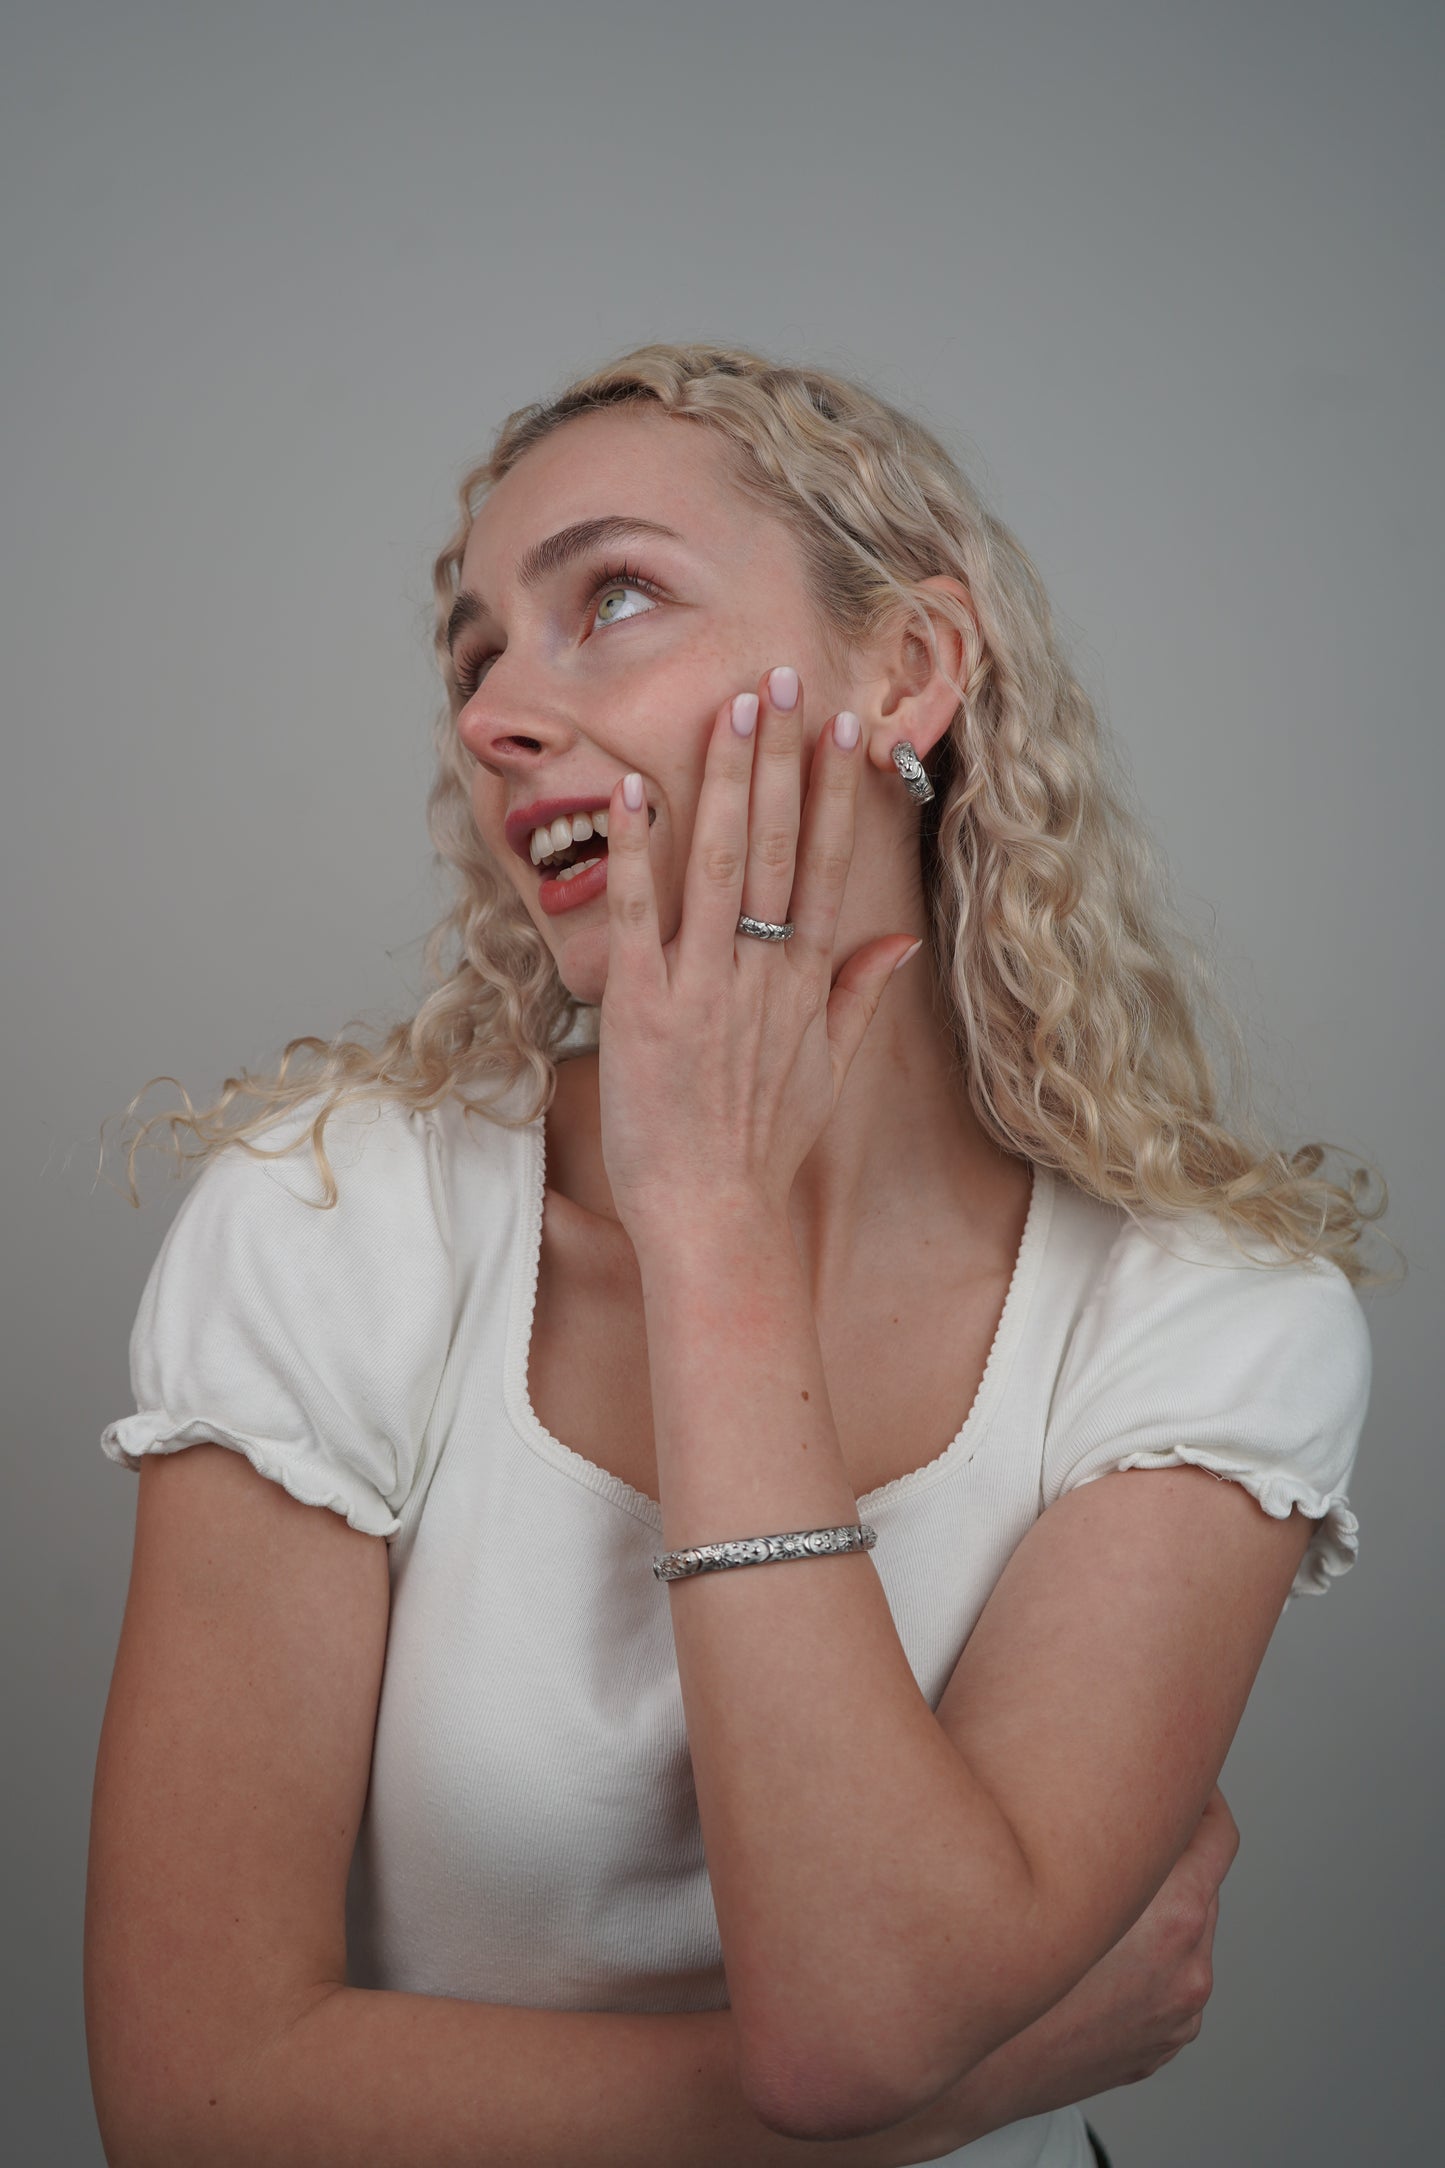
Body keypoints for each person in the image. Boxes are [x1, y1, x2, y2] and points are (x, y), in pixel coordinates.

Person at [86, 343, 1391, 2168]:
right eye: (475, 658)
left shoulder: (1213, 1316)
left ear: (911, 672)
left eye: (609, 599)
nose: (493, 714)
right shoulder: (328, 1218)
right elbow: (194, 2103)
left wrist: (706, 1226)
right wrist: (992, 2075)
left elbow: (864, 2006)